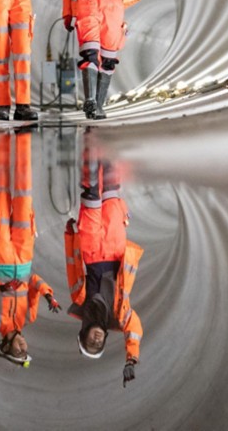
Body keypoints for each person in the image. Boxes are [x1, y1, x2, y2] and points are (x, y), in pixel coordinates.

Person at [0, 129, 61, 366]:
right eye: (26, 351)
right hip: (23, 256)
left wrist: (0, 288)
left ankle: (1, 138)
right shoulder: (29, 316)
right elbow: (33, 281)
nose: (24, 348)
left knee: (1, 192)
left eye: (18, 352)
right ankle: (23, 138)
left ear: (5, 346)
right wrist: (48, 295)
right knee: (24, 194)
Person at [64, 140, 143, 387]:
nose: (96, 339)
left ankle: (91, 139)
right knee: (111, 190)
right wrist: (131, 358)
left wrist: (70, 236)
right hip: (114, 247)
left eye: (90, 341)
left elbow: (71, 263)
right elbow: (135, 329)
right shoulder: (119, 314)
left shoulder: (79, 299)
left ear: (83, 333)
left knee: (91, 194)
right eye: (99, 343)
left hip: (89, 247)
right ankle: (109, 139)